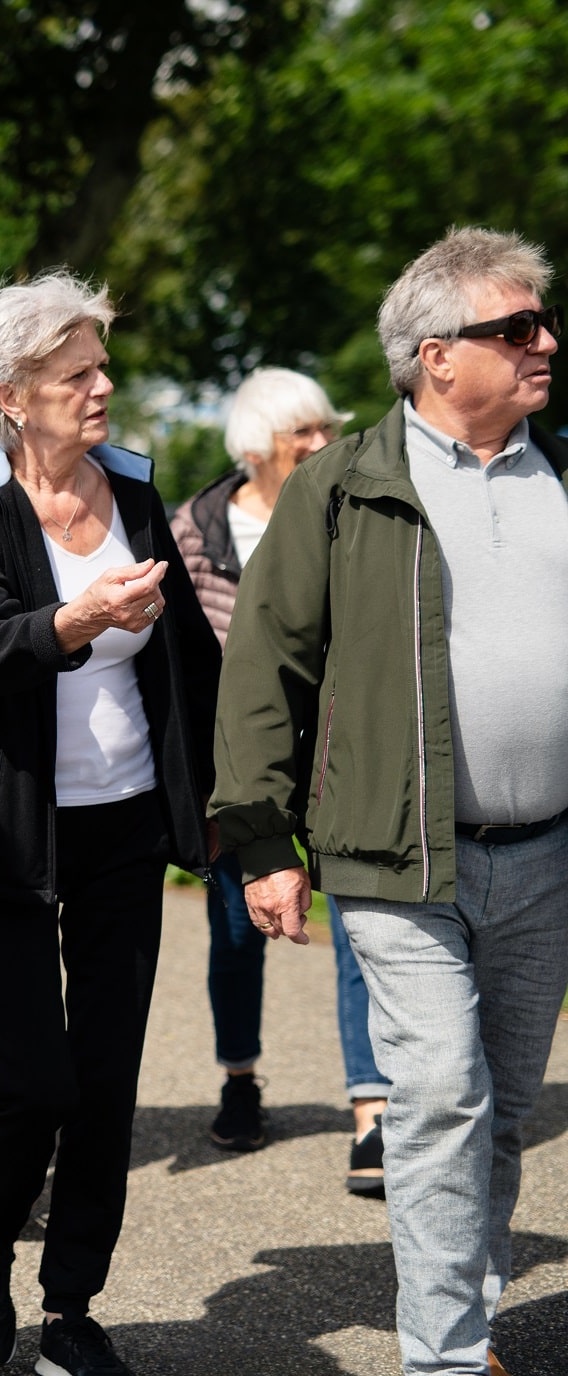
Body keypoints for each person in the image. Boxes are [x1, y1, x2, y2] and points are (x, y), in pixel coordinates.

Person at [212, 226, 568, 1376]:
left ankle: (459, 1300)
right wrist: (263, 838)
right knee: (442, 1092)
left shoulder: (558, 468)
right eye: (515, 329)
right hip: (395, 854)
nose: (544, 342)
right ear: (434, 354)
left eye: (541, 323)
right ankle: (448, 1355)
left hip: (546, 852)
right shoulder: (341, 485)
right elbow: (264, 665)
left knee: (504, 1105)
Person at [0, 271, 220, 1376]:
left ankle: (72, 1307)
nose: (104, 386)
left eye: (101, 365)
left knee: (105, 1081)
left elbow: (186, 654)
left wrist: (232, 808)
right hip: (10, 832)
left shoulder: (135, 488)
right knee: (36, 1078)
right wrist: (74, 617)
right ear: (12, 394)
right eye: (76, 373)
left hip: (126, 828)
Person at [171, 369, 394, 1189]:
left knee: (360, 926)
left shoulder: (354, 513)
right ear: (259, 447)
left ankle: (371, 1109)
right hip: (240, 761)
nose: (322, 442)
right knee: (236, 929)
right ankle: (240, 1079)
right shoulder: (193, 532)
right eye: (304, 432)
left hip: (340, 752)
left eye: (326, 426)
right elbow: (187, 670)